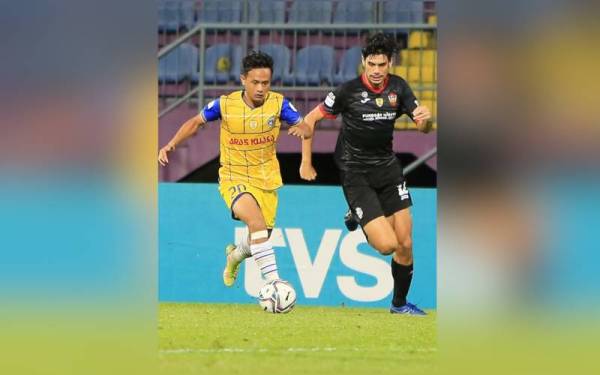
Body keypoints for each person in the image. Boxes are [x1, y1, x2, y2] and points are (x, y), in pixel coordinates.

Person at [289, 33, 433, 315]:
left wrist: (427, 122)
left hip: (388, 169)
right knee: (387, 246)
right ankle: (357, 214)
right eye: (372, 64)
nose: (377, 70)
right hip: (355, 172)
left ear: (390, 63)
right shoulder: (348, 91)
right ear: (363, 63)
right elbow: (310, 120)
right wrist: (305, 163)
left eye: (382, 64)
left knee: (405, 243)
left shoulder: (399, 88)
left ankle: (399, 305)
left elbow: (422, 127)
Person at [159, 51, 312, 287]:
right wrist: (171, 144)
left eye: (266, 82)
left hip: (267, 179)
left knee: (260, 237)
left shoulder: (279, 104)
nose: (261, 88)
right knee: (256, 223)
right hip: (234, 177)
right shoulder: (225, 104)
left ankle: (234, 257)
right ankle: (274, 284)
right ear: (243, 80)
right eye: (255, 82)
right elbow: (195, 122)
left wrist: (302, 129)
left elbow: (306, 128)